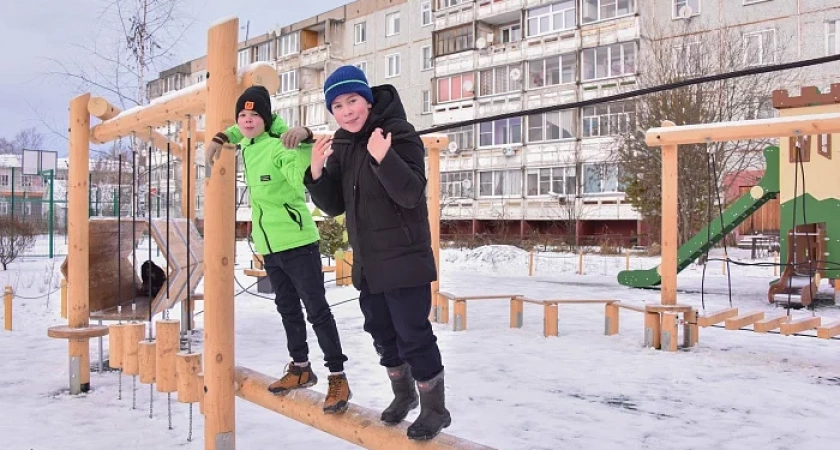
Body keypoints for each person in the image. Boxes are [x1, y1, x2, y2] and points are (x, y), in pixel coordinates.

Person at [304, 65, 450, 440]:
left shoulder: (398, 133)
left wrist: (385, 157)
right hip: (369, 263)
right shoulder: (344, 143)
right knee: (382, 333)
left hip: (404, 259)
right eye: (337, 105)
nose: (346, 111)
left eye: (352, 100)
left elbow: (411, 193)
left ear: (367, 100)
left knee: (412, 334)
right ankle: (404, 395)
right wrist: (317, 173)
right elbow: (335, 204)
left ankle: (435, 408)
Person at [205, 85, 351, 414]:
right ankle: (300, 368)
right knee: (287, 309)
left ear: (266, 119)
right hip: (270, 247)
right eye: (242, 115)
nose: (246, 120)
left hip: (298, 243)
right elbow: (236, 130)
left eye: (254, 115)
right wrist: (219, 137)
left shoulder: (277, 147)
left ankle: (337, 376)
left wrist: (304, 159)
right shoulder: (247, 142)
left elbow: (298, 174)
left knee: (317, 311)